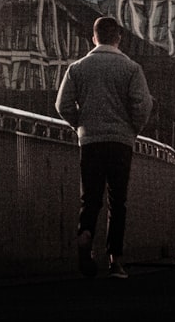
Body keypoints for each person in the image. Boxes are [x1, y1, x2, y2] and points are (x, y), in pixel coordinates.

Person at [55, 16, 155, 279]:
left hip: (90, 141)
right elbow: (143, 105)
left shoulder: (78, 68)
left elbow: (62, 105)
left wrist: (81, 125)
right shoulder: (131, 68)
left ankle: (86, 237)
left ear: (94, 37)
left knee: (90, 199)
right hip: (120, 142)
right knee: (117, 201)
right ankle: (115, 260)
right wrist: (133, 128)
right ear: (118, 38)